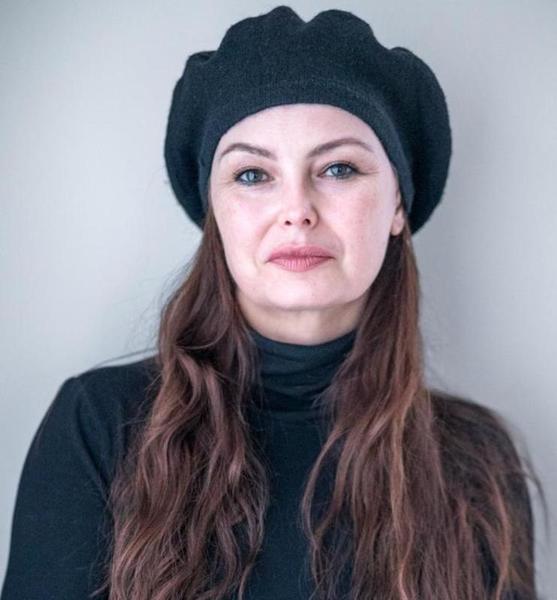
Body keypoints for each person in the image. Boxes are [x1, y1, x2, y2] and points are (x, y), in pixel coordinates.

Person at [1, 5, 545, 600]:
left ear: (396, 205)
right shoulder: (101, 424)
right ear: (216, 213)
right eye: (253, 175)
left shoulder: (475, 459)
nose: (297, 210)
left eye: (338, 168)